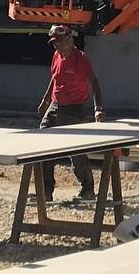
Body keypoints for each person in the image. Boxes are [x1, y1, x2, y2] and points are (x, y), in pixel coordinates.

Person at [36, 24, 105, 200]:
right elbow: (54, 78)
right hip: (55, 106)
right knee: (41, 145)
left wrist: (98, 109)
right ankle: (46, 191)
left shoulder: (81, 59)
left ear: (71, 40)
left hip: (75, 108)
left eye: (61, 43)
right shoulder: (56, 56)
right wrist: (45, 100)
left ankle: (87, 188)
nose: (59, 47)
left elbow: (94, 83)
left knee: (76, 150)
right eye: (55, 44)